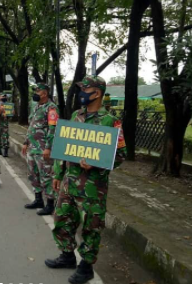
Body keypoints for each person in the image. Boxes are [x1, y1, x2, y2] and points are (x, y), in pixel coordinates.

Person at [45, 76, 126, 284]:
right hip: (69, 182)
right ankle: (67, 256)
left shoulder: (110, 121)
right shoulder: (75, 116)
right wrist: (58, 173)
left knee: (91, 226)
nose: (81, 92)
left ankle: (86, 266)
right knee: (61, 218)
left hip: (92, 188)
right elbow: (64, 147)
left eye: (85, 88)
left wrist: (96, 162)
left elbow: (121, 156)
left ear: (96, 92)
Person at [22, 83, 60, 216]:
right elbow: (31, 126)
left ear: (44, 93)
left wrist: (48, 148)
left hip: (43, 148)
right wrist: (26, 142)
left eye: (37, 91)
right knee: (33, 174)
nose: (35, 93)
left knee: (46, 176)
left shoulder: (52, 108)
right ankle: (38, 200)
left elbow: (53, 129)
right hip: (32, 147)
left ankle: (50, 203)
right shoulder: (36, 106)